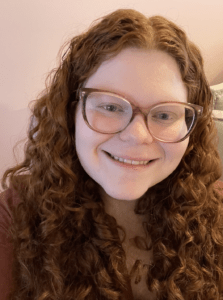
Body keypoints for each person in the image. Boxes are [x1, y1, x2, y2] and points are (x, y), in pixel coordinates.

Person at [0, 8, 223, 300]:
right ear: (70, 112)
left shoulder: (216, 211)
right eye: (110, 107)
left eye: (165, 115)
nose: (137, 135)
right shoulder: (16, 217)